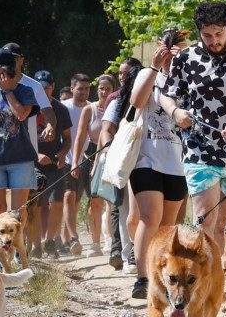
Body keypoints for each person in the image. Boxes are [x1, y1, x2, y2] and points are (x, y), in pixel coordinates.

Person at [162, 1, 226, 254]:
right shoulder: (185, 58)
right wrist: (175, 112)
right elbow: (167, 94)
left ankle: (223, 282)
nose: (214, 40)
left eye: (219, 33)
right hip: (199, 149)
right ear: (198, 32)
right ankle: (205, 288)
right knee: (204, 220)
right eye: (207, 35)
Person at [125, 29, 189, 299]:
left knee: (167, 227)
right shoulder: (147, 75)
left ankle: (161, 276)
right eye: (169, 45)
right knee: (150, 217)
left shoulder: (190, 76)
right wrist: (154, 66)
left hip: (178, 162)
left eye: (180, 47)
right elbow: (136, 102)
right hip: (146, 159)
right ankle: (142, 279)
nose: (173, 51)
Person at [0, 48, 39, 223]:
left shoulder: (26, 91)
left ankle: (16, 249)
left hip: (21, 158)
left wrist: (7, 91)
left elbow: (21, 115)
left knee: (18, 211)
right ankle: (1, 248)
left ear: (3, 69)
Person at [71, 74, 116, 258]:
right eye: (101, 88)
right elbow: (80, 137)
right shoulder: (89, 110)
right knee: (94, 201)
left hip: (113, 152)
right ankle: (95, 243)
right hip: (92, 155)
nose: (104, 92)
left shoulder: (117, 107)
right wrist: (75, 162)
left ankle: (111, 241)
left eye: (108, 88)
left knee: (112, 202)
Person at [103, 58, 142, 270]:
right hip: (124, 160)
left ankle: (138, 253)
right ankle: (126, 253)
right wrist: (109, 148)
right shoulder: (117, 100)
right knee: (124, 209)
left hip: (147, 160)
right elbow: (106, 129)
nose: (123, 78)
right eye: (123, 75)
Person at [33, 70, 73, 259]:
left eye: (47, 87)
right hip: (33, 163)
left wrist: (63, 153)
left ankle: (50, 242)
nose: (44, 90)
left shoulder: (60, 109)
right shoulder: (28, 107)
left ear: (53, 87)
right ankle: (35, 244)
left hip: (55, 164)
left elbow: (67, 139)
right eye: (40, 88)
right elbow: (21, 138)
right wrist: (37, 155)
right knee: (36, 206)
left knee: (56, 203)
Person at [3, 43, 56, 153]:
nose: (10, 61)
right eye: (6, 57)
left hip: (25, 151)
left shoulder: (34, 86)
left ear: (21, 60)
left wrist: (50, 126)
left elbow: (48, 111)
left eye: (14, 58)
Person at [60, 73, 92, 255]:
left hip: (86, 160)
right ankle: (73, 237)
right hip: (66, 159)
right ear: (72, 89)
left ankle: (65, 240)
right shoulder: (64, 107)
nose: (84, 92)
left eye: (87, 88)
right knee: (68, 196)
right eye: (80, 88)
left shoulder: (92, 109)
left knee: (77, 202)